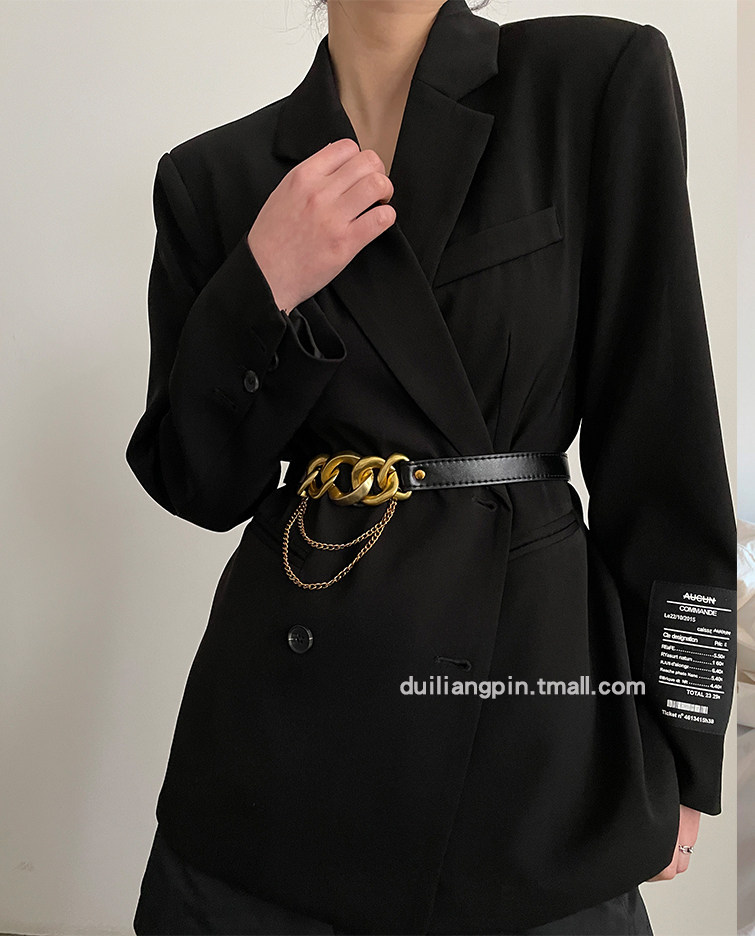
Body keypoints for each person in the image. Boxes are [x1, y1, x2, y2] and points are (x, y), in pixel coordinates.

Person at [126, 0, 737, 934]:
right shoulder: (214, 176)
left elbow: (665, 445)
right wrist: (262, 283)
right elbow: (196, 484)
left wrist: (684, 747)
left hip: (530, 742)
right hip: (274, 765)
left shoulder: (586, 80)